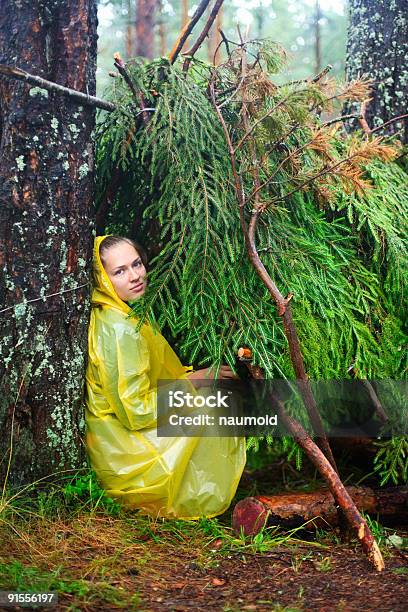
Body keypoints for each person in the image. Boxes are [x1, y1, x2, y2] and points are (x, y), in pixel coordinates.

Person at [84, 235, 246, 519]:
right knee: (215, 400)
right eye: (119, 272)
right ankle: (192, 498)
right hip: (123, 455)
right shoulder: (120, 330)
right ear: (102, 278)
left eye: (136, 264)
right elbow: (136, 412)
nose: (135, 276)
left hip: (112, 438)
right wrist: (194, 380)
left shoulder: (114, 313)